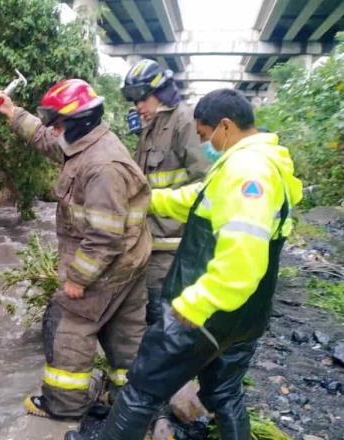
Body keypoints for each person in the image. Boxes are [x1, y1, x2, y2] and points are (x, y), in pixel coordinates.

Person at [92, 89, 303, 439]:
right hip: (247, 315)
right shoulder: (253, 164)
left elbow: (243, 259)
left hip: (208, 313)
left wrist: (194, 304)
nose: (205, 143)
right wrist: (146, 201)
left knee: (142, 388)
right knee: (224, 391)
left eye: (205, 135)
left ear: (224, 126)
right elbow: (197, 198)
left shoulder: (249, 172)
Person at [0, 79, 152, 419]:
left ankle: (65, 405)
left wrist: (78, 279)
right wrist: (12, 112)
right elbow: (47, 140)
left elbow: (104, 236)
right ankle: (129, 400)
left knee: (69, 328)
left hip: (107, 266)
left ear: (77, 123)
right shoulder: (87, 144)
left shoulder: (101, 167)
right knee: (126, 336)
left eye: (58, 123)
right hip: (130, 261)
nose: (53, 130)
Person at [121, 58, 208, 325]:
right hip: (148, 238)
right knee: (146, 310)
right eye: (134, 100)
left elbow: (206, 183)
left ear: (160, 93)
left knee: (161, 314)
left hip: (172, 243)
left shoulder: (185, 123)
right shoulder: (150, 127)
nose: (138, 106)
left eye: (143, 99)